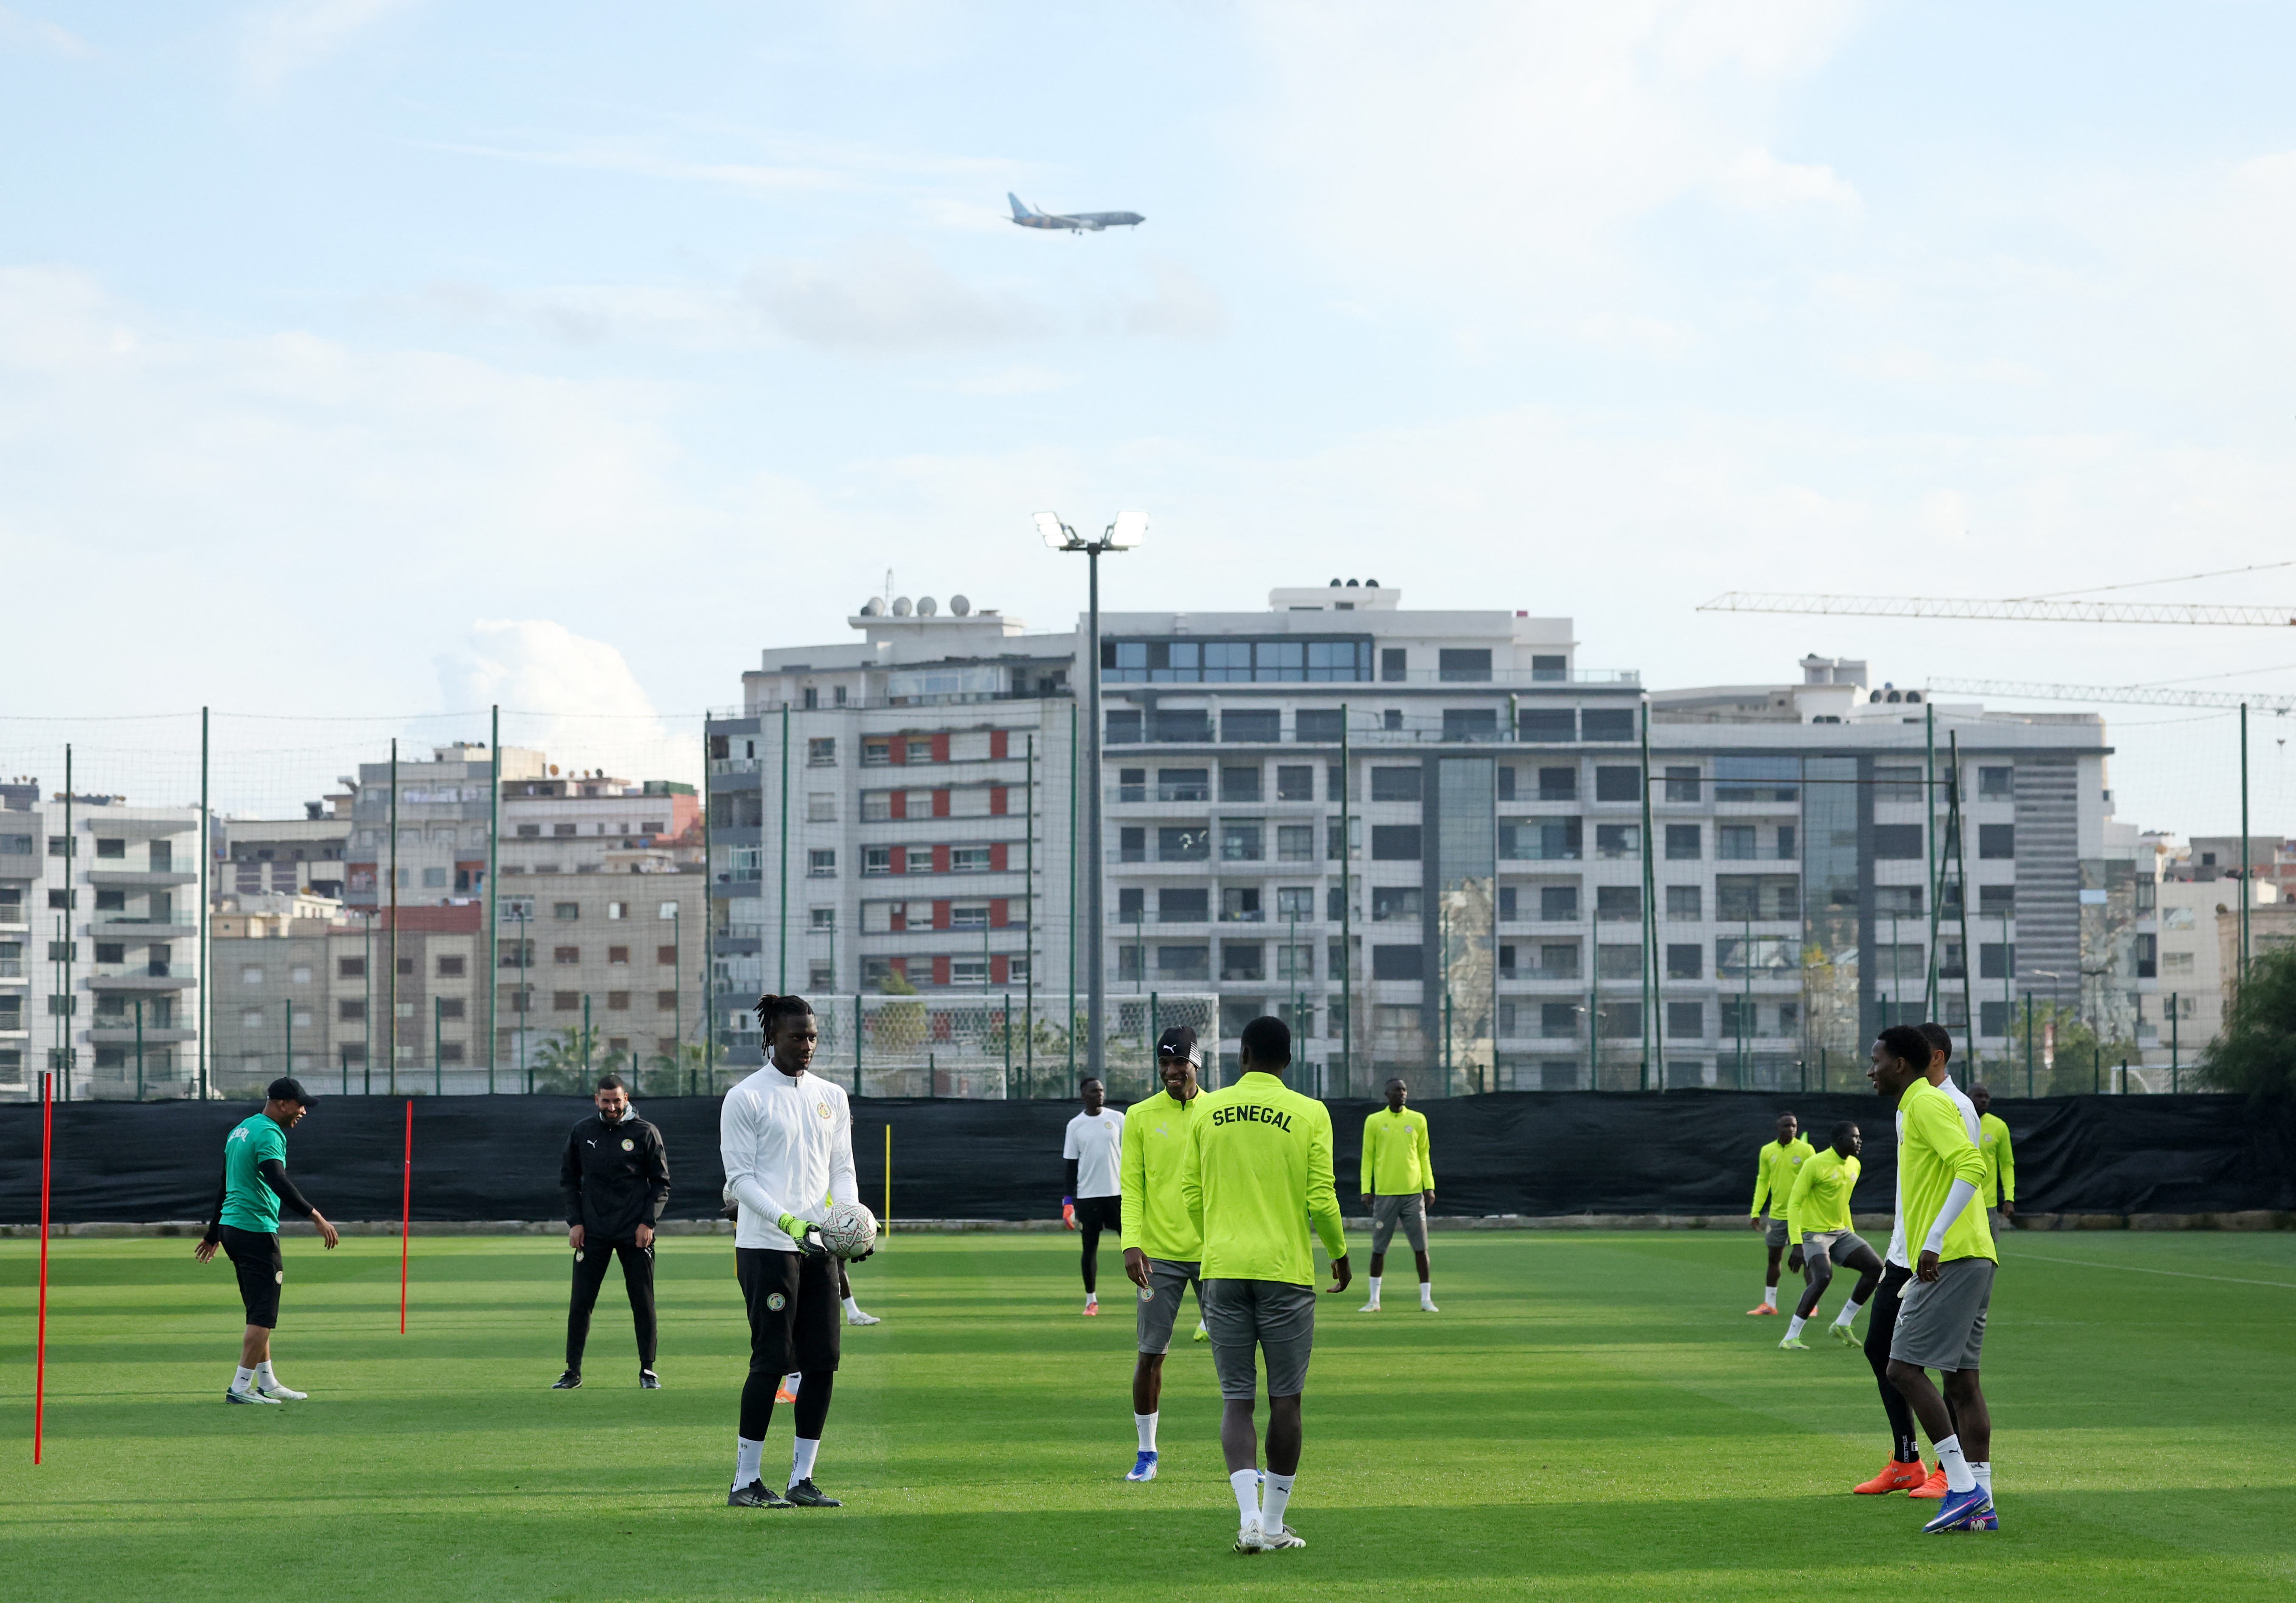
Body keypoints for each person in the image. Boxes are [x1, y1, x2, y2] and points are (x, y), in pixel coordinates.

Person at [1180, 1015, 1350, 1555]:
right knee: (1286, 1401)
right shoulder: (1310, 1113)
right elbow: (1322, 1198)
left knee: (1237, 1401)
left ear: (1244, 1055)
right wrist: (1340, 1254)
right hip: (1285, 1272)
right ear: (1289, 1061)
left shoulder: (1206, 1109)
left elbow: (1189, 1192)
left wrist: (1219, 1241)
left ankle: (1249, 1520)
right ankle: (1274, 1525)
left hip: (1222, 1269)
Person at [721, 994, 863, 1510]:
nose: (806, 1045)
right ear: (770, 1039)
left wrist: (849, 1222)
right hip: (766, 1246)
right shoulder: (746, 1098)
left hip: (819, 1247)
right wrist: (788, 1222)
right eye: (795, 1037)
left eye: (812, 1037)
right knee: (773, 1360)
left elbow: (842, 1168)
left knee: (823, 1361)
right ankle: (746, 1482)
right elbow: (740, 1181)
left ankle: (803, 1479)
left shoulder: (832, 1096)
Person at [1872, 1023, 1999, 1534]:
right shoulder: (1918, 1106)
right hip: (1973, 1255)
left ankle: (1963, 1488)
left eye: (1877, 1059)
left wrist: (1934, 1239)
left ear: (1901, 1065)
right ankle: (1983, 1502)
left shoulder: (1926, 1104)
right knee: (1963, 1383)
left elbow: (1972, 1165)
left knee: (1901, 1369)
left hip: (1953, 1257)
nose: (1871, 1070)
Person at [194, 1077, 340, 1403]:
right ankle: (240, 1388)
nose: (303, 1111)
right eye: (299, 1104)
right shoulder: (269, 1133)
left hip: (234, 1228)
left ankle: (268, 1382)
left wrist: (214, 1232)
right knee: (263, 1313)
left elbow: (225, 1184)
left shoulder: (241, 1130)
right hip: (254, 1230)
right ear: (282, 1103)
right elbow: (277, 1179)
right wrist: (315, 1215)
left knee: (257, 1309)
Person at [1118, 1026, 1213, 1482]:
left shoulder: (1218, 1111)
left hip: (1216, 1253)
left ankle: (1247, 1457)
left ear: (1198, 1065)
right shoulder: (1138, 1116)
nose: (1172, 1073)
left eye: (1181, 1065)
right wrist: (1130, 1243)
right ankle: (1146, 1453)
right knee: (1150, 1354)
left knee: (1235, 1356)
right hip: (1158, 1256)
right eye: (1165, 1065)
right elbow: (1132, 1187)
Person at [554, 1073, 671, 1390]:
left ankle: (648, 1370)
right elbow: (569, 1180)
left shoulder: (645, 1132)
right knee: (581, 1302)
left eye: (616, 1100)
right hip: (593, 1231)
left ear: (626, 1098)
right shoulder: (583, 1132)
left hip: (634, 1232)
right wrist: (575, 1222)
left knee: (642, 1301)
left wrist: (648, 1222)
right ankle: (572, 1372)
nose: (611, 1106)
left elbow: (661, 1183)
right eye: (605, 1101)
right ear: (597, 1100)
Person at [1776, 1121, 1883, 1352]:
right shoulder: (1815, 1164)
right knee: (1823, 1277)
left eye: (1859, 1137)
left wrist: (1851, 1234)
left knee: (1876, 1267)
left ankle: (1843, 1323)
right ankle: (1791, 1337)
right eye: (1854, 1137)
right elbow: (1795, 1204)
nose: (1859, 1141)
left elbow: (1843, 1202)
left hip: (1841, 1232)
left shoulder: (1854, 1165)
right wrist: (1796, 1243)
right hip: (1813, 1233)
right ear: (1839, 1141)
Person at [1358, 1077, 1437, 1314]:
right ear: (1387, 1093)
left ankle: (1426, 1299)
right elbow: (1368, 1158)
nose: (1401, 1093)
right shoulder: (1374, 1121)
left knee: (1421, 1248)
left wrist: (1429, 1186)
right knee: (1379, 1248)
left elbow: (1424, 1155)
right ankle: (1374, 1300)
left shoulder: (1418, 1120)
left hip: (1414, 1194)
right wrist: (1366, 1189)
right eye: (1397, 1090)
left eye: (1404, 1090)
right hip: (1385, 1195)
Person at [1062, 1075, 1125, 1316]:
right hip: (1088, 1197)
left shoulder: (1118, 1119)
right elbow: (1070, 1166)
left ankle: (1148, 1293)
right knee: (1089, 1248)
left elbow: (1132, 1155)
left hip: (1118, 1195)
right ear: (1083, 1096)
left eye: (1101, 1090)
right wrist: (1068, 1202)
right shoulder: (1075, 1126)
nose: (1099, 1094)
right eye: (1094, 1091)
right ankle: (1091, 1300)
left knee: (1133, 1245)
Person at [1746, 1112, 1814, 1315]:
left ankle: (1812, 1305)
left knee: (1808, 1259)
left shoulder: (1807, 1150)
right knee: (1774, 1258)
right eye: (1787, 1126)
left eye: (1794, 1126)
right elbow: (1763, 1181)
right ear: (1778, 1129)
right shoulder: (1767, 1151)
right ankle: (1770, 1305)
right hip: (1777, 1215)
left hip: (1802, 1215)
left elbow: (1814, 1181)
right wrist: (1756, 1211)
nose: (1791, 1129)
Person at [1972, 1085, 2015, 1235]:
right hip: (1960, 1202)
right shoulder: (1956, 1122)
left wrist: (2009, 1198)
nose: (1984, 1101)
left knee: (1988, 1254)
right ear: (1967, 1098)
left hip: (1987, 1204)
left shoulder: (1999, 1126)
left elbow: (2007, 1165)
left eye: (1987, 1097)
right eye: (1979, 1096)